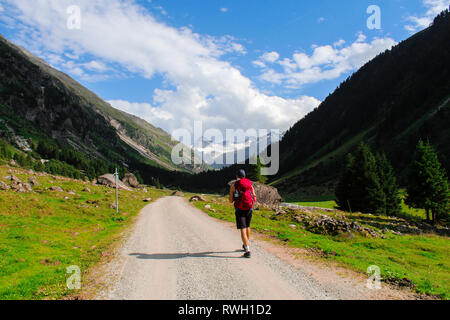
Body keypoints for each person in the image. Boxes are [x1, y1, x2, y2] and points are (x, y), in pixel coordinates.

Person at [229, 169, 256, 258]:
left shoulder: (234, 185)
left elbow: (230, 200)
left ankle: (247, 250)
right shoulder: (249, 184)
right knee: (248, 226)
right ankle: (245, 244)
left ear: (237, 176)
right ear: (244, 176)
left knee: (243, 228)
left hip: (239, 208)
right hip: (249, 207)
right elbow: (254, 197)